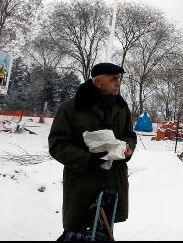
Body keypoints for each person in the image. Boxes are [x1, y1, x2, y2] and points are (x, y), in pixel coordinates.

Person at [49, 62, 137, 240]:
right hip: (83, 186)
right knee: (78, 233)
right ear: (98, 83)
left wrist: (128, 147)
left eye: (119, 79)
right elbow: (57, 144)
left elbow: (129, 134)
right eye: (113, 79)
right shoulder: (70, 108)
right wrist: (87, 159)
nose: (118, 83)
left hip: (113, 183)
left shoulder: (121, 107)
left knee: (104, 232)